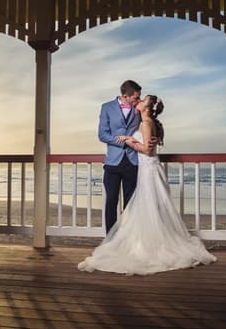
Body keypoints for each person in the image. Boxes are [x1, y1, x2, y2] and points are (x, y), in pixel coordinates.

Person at [80, 95, 217, 275]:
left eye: (142, 100)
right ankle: (141, 240)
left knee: (148, 206)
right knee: (145, 207)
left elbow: (146, 149)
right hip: (145, 169)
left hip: (147, 169)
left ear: (147, 107)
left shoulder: (145, 123)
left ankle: (146, 244)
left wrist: (130, 140)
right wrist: (132, 138)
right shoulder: (144, 121)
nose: (139, 102)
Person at [98, 80, 143, 234]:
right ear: (125, 96)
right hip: (113, 161)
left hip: (133, 161)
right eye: (136, 98)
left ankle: (127, 238)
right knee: (111, 200)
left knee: (130, 203)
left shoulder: (139, 109)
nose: (138, 101)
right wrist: (124, 141)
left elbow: (147, 127)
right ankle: (110, 237)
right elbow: (102, 134)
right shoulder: (107, 108)